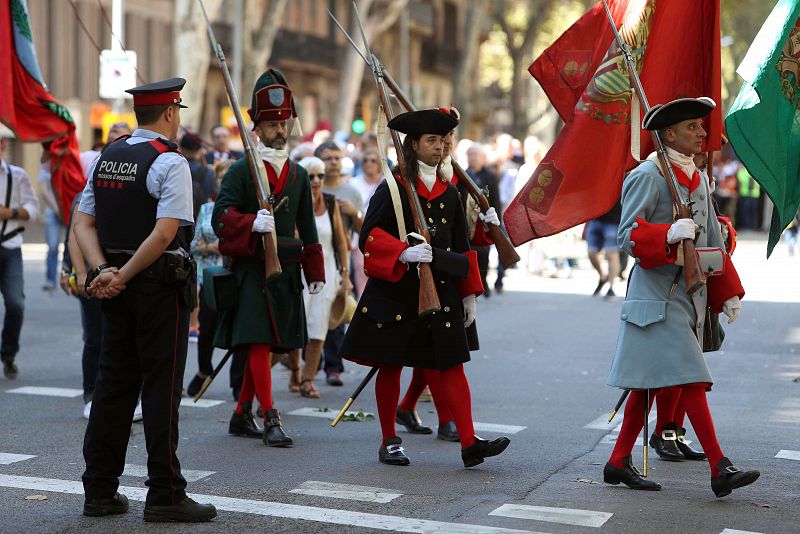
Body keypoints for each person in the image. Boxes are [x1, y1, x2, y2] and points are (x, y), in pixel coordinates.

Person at [74, 77, 216, 522]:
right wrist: (125, 275)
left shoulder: (108, 156)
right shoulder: (169, 161)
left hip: (114, 287)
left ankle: (99, 490)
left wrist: (104, 271)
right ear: (171, 112)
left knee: (113, 387)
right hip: (156, 288)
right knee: (161, 390)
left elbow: (82, 222)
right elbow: (165, 232)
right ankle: (166, 494)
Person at [603, 97, 759, 497]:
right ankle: (719, 466)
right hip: (655, 296)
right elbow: (626, 236)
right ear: (669, 134)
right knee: (692, 376)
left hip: (688, 296)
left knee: (647, 384)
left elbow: (712, 243)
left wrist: (727, 292)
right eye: (693, 127)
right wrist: (667, 234)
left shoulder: (697, 178)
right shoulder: (648, 175)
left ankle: (618, 460)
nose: (703, 133)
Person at [339, 108, 510, 467]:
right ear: (413, 145)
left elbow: (462, 247)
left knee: (452, 365)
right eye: (431, 140)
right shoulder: (393, 188)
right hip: (398, 290)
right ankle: (389, 440)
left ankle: (469, 442)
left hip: (441, 290)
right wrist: (402, 252)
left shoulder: (450, 192)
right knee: (390, 365)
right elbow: (369, 237)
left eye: (443, 140)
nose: (440, 146)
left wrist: (469, 295)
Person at [211, 68, 324, 446]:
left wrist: (315, 272)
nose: (279, 129)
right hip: (251, 270)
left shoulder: (299, 174)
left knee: (269, 342)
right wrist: (250, 223)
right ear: (256, 127)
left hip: (285, 271)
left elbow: (308, 227)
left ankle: (241, 413)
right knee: (259, 341)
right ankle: (270, 416)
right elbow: (220, 216)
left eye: (282, 122)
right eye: (271, 123)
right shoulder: (242, 169)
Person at [287, 156, 352, 398]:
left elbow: (341, 242)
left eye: (320, 176)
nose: (316, 180)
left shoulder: (330, 202)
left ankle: (308, 379)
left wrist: (345, 275)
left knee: (319, 326)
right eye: (311, 176)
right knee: (294, 327)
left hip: (326, 274)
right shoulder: (292, 200)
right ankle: (295, 369)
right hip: (298, 273)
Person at [314, 140, 364, 386]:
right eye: (328, 158)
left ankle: (333, 367)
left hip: (340, 258)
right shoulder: (311, 186)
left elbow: (363, 231)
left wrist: (355, 213)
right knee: (311, 311)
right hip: (313, 257)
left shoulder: (351, 192)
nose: (333, 163)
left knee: (336, 312)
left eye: (337, 158)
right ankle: (309, 363)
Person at [185, 159, 234, 397]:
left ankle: (238, 383)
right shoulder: (206, 209)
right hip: (209, 279)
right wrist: (212, 247)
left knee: (237, 332)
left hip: (235, 276)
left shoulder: (245, 208)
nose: (225, 181)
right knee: (206, 329)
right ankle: (204, 369)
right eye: (222, 177)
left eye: (230, 177)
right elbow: (193, 245)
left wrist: (216, 246)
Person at [0, 133, 39, 380]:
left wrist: (10, 212)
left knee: (16, 303)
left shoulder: (17, 175)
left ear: (2, 145)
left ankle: (8, 353)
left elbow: (33, 209)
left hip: (10, 246)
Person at [465, 143, 500, 297]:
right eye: (470, 155)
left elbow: (495, 201)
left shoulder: (490, 176)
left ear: (482, 157)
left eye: (475, 155)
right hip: (468, 222)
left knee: (485, 253)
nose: (472, 158)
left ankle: (484, 281)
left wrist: (496, 221)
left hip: (485, 221)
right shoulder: (463, 174)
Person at [350, 148, 383, 296]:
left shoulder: (386, 183)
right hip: (360, 234)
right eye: (366, 160)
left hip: (381, 235)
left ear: (379, 164)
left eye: (373, 160)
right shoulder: (353, 183)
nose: (369, 163)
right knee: (361, 274)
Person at [38, 142, 65, 292]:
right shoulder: (45, 167)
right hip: (53, 212)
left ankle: (72, 276)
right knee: (53, 246)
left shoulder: (68, 163)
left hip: (68, 210)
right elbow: (44, 191)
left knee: (73, 245)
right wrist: (57, 209)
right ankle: (50, 279)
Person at [586, 202, 622, 297]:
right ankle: (603, 277)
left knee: (612, 255)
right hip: (595, 219)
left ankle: (611, 287)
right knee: (591, 252)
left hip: (614, 221)